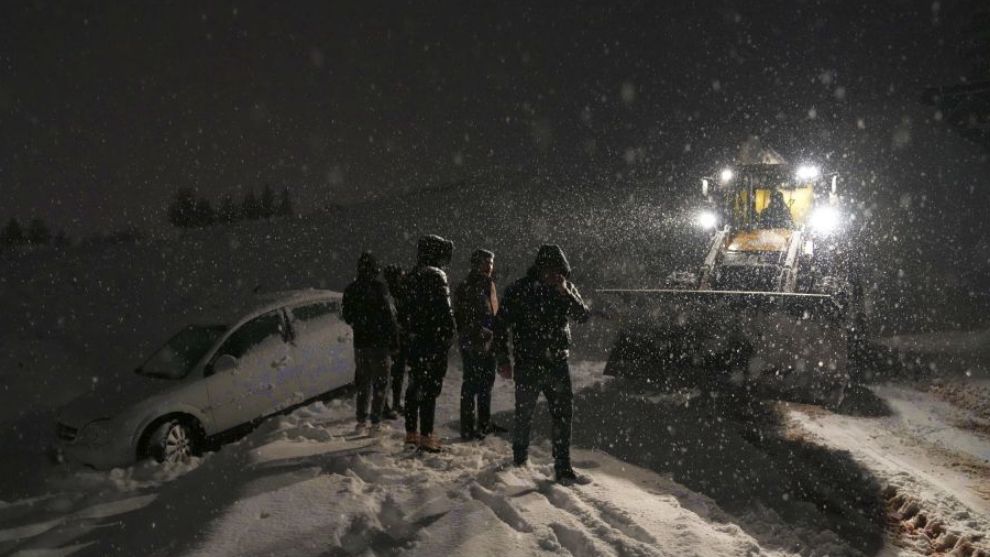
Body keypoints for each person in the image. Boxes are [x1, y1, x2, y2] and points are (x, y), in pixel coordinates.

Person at [495, 244, 591, 485]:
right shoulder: (519, 289)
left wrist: (564, 292)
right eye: (549, 269)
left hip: (558, 363)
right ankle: (520, 458)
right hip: (528, 363)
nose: (553, 274)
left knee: (563, 415)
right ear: (539, 268)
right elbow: (500, 326)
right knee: (523, 414)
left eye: (558, 270)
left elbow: (582, 316)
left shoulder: (565, 288)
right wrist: (503, 360)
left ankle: (563, 465)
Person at [403, 234, 456, 452]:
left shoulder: (413, 275)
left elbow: (405, 310)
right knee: (430, 389)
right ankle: (426, 436)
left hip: (415, 341)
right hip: (432, 342)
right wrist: (447, 335)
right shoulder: (436, 276)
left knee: (415, 386)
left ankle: (411, 433)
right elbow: (444, 313)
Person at [341, 251, 398, 432]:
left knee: (363, 382)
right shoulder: (379, 288)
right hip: (379, 343)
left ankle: (361, 420)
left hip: (361, 342)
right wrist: (393, 340)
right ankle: (375, 421)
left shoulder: (351, 289)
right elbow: (389, 317)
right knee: (381, 383)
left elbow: (347, 316)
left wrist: (361, 323)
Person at [453, 249, 500, 441]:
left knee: (485, 383)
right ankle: (468, 427)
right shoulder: (469, 286)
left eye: (490, 262)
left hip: (487, 340)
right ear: (476, 264)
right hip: (475, 341)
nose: (489, 266)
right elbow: (463, 315)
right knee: (472, 383)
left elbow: (492, 311)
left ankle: (483, 422)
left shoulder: (487, 284)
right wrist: (477, 332)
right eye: (485, 262)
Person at [382, 264, 408, 418]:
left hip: (398, 338)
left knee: (396, 374)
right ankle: (386, 406)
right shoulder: (388, 294)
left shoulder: (398, 292)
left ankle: (395, 403)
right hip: (393, 338)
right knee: (390, 375)